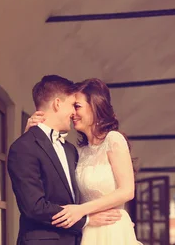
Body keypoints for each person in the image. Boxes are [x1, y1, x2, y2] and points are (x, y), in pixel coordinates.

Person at [8, 75, 122, 245]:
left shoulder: (70, 150)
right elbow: (34, 207)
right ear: (57, 104)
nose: (74, 113)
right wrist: (87, 220)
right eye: (72, 105)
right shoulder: (23, 147)